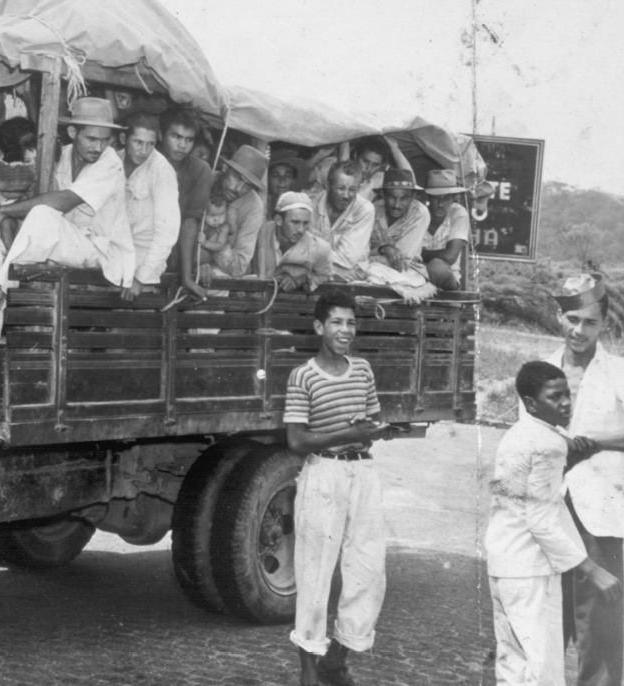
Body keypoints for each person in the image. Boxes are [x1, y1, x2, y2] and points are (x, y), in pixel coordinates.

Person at [0, 97, 133, 392]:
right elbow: (35, 200)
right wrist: (4, 217)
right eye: (91, 138)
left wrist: (4, 211)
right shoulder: (59, 156)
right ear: (74, 133)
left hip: (100, 252)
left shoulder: (110, 162)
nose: (97, 147)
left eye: (104, 140)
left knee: (42, 215)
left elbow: (62, 202)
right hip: (59, 246)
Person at [543, 274, 624, 686]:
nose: (579, 330)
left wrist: (588, 443)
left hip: (600, 513)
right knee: (543, 627)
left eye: (590, 323)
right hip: (547, 511)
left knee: (600, 634)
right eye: (572, 319)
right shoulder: (541, 369)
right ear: (559, 317)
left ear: (604, 324)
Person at [487, 360, 623, 686]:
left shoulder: (522, 433)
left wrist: (572, 456)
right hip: (530, 572)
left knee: (513, 667)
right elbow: (541, 522)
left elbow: (528, 489)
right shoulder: (548, 444)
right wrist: (593, 570)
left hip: (504, 565)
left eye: (567, 395)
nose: (565, 404)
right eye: (554, 397)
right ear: (531, 403)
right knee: (542, 673)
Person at [285, 288, 395, 686]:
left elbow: (373, 425)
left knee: (367, 571)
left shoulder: (362, 370)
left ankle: (338, 659)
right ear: (319, 327)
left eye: (350, 322)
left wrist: (372, 431)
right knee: (314, 573)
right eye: (336, 322)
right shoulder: (303, 376)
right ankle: (308, 669)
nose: (345, 330)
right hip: (323, 475)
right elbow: (297, 441)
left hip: (362, 474)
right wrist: (347, 431)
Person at [119, 111, 180, 301]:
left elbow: (167, 232)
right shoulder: (113, 160)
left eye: (150, 144)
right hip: (114, 259)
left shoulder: (161, 170)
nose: (143, 150)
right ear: (124, 138)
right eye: (137, 142)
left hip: (143, 265)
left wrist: (141, 277)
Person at [158, 105, 214, 298]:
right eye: (176, 137)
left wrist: (186, 276)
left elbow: (190, 221)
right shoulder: (149, 162)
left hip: (176, 259)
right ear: (160, 135)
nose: (182, 145)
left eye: (188, 139)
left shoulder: (200, 170)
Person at [200, 145, 267, 283]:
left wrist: (215, 240)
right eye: (237, 177)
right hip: (180, 260)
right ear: (225, 168)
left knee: (217, 280)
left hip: (217, 269)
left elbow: (238, 266)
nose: (238, 189)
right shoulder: (203, 180)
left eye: (248, 185)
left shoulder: (253, 206)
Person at [306, 160, 375, 282]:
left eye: (352, 189)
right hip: (314, 266)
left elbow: (346, 260)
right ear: (327, 186)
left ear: (359, 189)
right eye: (341, 188)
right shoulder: (311, 204)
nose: (346, 195)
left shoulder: (364, 210)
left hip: (349, 272)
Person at [255, 191, 332, 292]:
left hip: (297, 305)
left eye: (305, 223)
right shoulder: (258, 236)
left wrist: (302, 279)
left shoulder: (320, 248)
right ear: (279, 220)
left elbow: (325, 276)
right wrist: (282, 270)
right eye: (295, 222)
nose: (301, 229)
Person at [368, 169, 429, 276]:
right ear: (383, 194)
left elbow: (401, 261)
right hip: (370, 269)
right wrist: (383, 249)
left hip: (407, 271)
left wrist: (366, 259)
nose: (397, 205)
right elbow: (360, 251)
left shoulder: (419, 213)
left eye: (404, 198)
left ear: (413, 197)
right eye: (392, 197)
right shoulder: (372, 210)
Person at [420, 169, 471, 291]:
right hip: (418, 274)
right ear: (429, 197)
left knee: (436, 267)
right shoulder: (419, 213)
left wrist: (417, 254)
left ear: (454, 198)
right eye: (436, 198)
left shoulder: (458, 213)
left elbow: (450, 257)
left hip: (446, 279)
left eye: (446, 198)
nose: (441, 204)